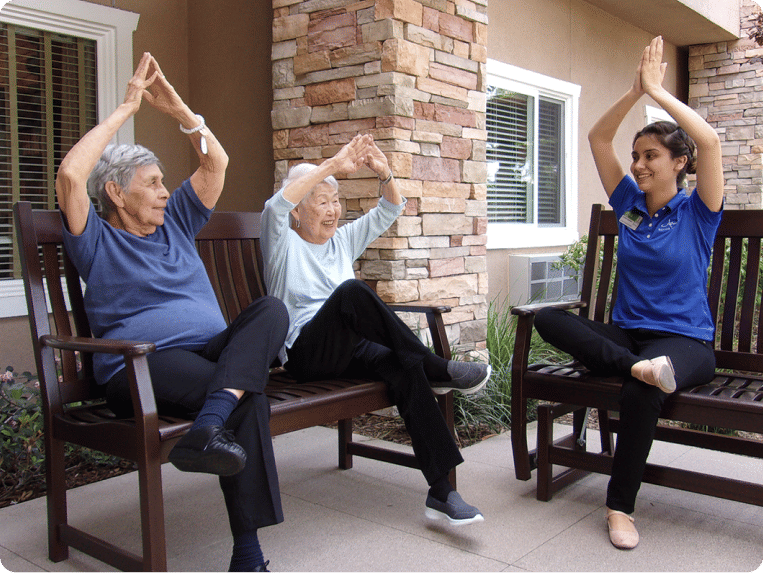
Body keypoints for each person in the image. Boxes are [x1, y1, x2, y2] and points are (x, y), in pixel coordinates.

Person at [56, 52, 288, 572]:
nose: (166, 192)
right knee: (247, 400)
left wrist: (179, 110)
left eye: (164, 182)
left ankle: (207, 425)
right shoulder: (96, 241)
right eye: (153, 183)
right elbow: (72, 175)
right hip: (139, 364)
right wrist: (125, 109)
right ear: (116, 193)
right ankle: (248, 557)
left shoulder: (176, 221)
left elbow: (216, 163)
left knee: (271, 311)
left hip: (208, 353)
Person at [533, 36, 724, 550]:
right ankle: (633, 365)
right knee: (548, 318)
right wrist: (632, 90)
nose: (638, 165)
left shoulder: (698, 212)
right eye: (636, 156)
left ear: (678, 162)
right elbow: (598, 138)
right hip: (628, 341)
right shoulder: (629, 206)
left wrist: (658, 93)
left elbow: (710, 143)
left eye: (651, 156)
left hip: (684, 343)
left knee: (647, 388)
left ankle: (620, 507)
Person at [261, 133, 491, 526]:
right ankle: (440, 368)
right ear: (297, 211)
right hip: (307, 355)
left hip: (350, 350)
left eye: (336, 201)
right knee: (351, 292)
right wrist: (334, 163)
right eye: (322, 201)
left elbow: (390, 209)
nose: (334, 211)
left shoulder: (341, 241)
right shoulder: (282, 244)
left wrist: (384, 173)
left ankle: (442, 491)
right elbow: (273, 206)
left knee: (403, 364)